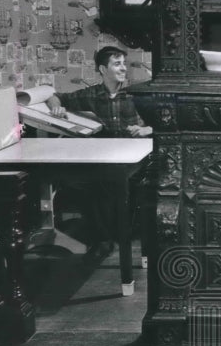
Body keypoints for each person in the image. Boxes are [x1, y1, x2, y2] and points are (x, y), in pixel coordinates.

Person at [45, 46, 152, 258]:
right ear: (103, 69)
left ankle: (120, 237)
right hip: (105, 161)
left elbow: (162, 122)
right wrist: (56, 107)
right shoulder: (90, 94)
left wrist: (146, 129)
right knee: (91, 187)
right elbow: (55, 96)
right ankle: (105, 240)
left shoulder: (137, 94)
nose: (123, 68)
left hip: (136, 163)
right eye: (117, 63)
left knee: (128, 191)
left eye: (124, 63)